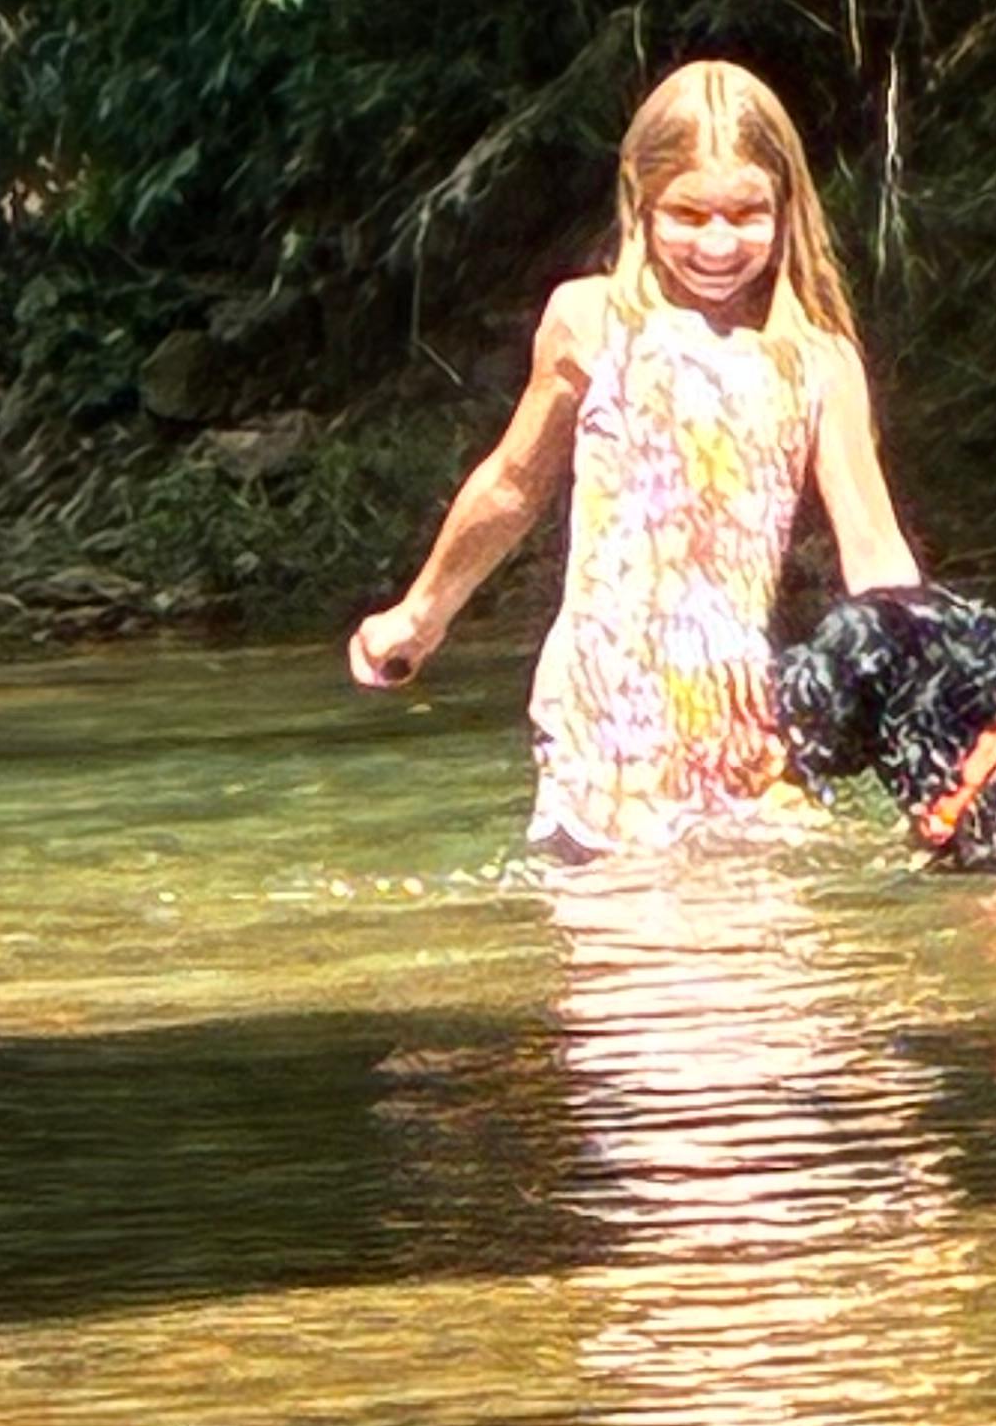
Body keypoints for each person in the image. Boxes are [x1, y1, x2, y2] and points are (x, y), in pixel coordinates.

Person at [347, 59, 920, 856]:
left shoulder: (817, 361)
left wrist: (931, 680)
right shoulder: (591, 323)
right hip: (602, 719)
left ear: (786, 206)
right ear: (639, 201)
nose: (718, 242)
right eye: (688, 214)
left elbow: (872, 546)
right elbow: (513, 484)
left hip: (739, 717)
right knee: (631, 967)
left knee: (779, 973)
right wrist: (419, 615)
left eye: (747, 214)